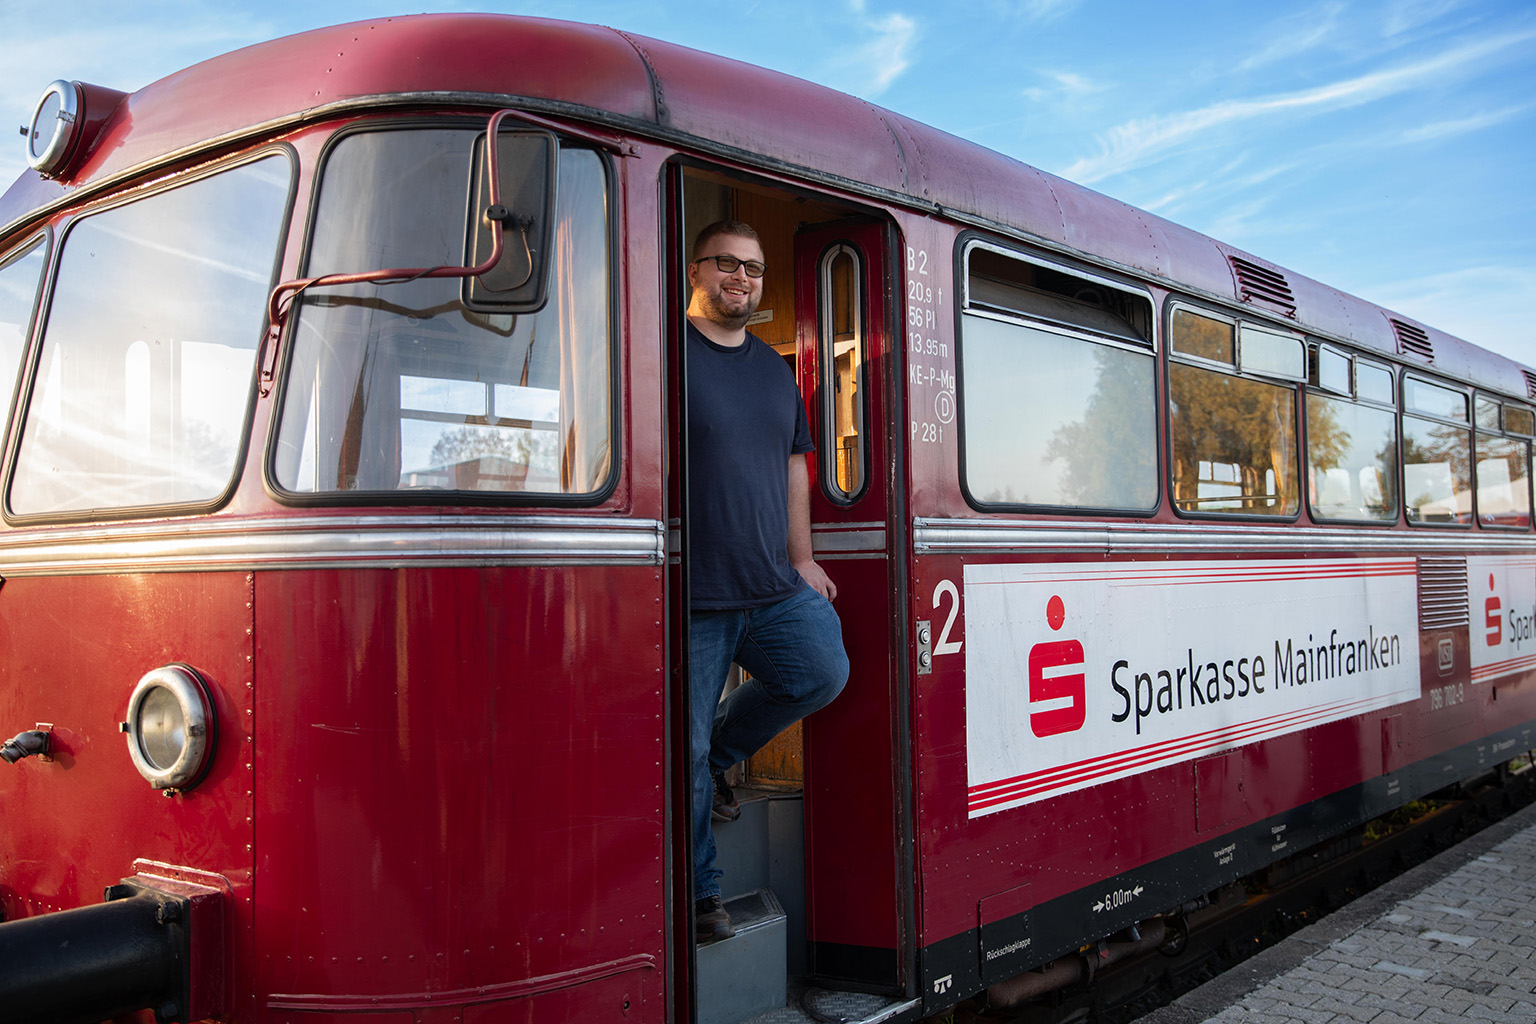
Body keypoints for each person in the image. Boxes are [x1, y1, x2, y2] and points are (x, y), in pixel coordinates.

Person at [685, 220, 848, 944]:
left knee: (820, 669)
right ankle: (699, 894)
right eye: (728, 264)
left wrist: (802, 556)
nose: (742, 279)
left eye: (753, 269)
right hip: (692, 595)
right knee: (677, 753)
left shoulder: (774, 370)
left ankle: (723, 756)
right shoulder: (664, 354)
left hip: (769, 582)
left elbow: (794, 463)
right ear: (698, 269)